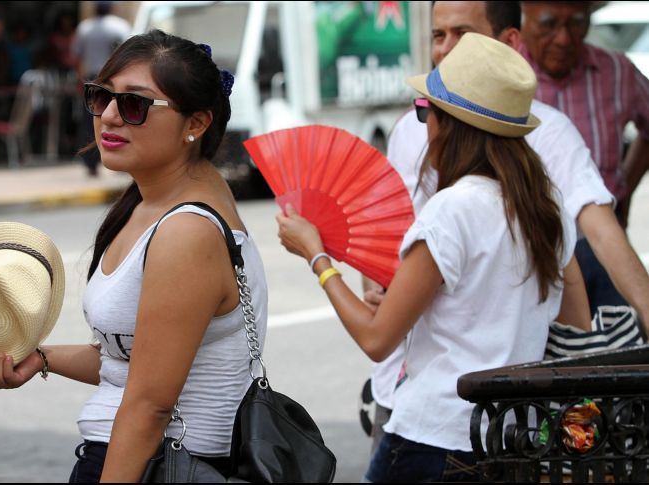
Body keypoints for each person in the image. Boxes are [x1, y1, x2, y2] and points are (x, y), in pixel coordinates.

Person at [277, 32, 590, 483]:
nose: (424, 125)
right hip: (512, 439)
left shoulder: (453, 209)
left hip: (436, 438)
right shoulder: (548, 207)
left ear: (451, 124)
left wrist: (317, 257)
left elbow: (376, 340)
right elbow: (574, 319)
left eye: (426, 112)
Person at [0, 29, 268, 483]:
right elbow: (128, 362)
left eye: (135, 104)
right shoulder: (152, 205)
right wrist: (40, 358)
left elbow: (150, 405)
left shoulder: (187, 231)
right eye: (101, 97)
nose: (107, 116)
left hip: (160, 466)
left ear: (196, 124)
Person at [363, 0, 649, 457]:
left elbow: (601, 231)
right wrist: (377, 283)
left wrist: (321, 265)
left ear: (509, 42)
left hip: (490, 412)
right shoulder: (409, 129)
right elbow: (388, 233)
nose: (446, 50)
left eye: (463, 35)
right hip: (406, 390)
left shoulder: (549, 134)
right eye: (439, 36)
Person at [520, 0, 649, 314]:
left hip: (606, 245)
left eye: (576, 23)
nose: (564, 38)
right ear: (523, 20)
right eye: (549, 24)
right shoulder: (505, 78)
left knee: (620, 348)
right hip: (532, 251)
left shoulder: (617, 73)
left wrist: (626, 187)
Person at [73, 0, 132, 177]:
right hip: (114, 79)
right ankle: (121, 160)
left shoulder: (85, 27)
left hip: (92, 80)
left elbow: (77, 56)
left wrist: (81, 80)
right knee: (121, 119)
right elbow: (130, 55)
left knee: (91, 121)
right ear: (112, 9)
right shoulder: (120, 26)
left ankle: (91, 164)